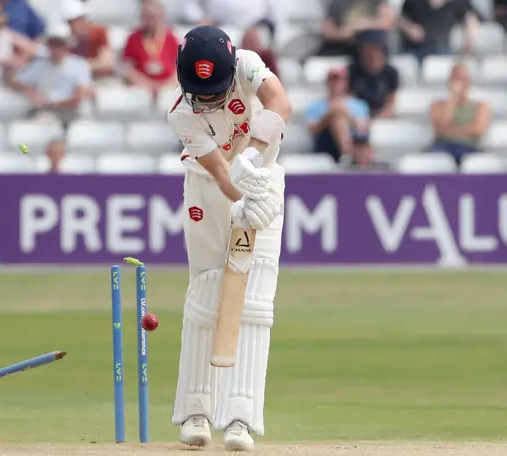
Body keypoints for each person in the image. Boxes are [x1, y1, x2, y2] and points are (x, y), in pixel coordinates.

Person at [166, 25, 288, 452]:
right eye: (204, 93)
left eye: (217, 90)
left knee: (255, 302)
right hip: (208, 191)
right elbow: (220, 172)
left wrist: (254, 162)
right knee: (205, 295)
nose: (212, 101)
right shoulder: (181, 114)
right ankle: (197, 410)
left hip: (264, 183)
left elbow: (279, 101)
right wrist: (241, 196)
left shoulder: (247, 65)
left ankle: (239, 419)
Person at [9, 22, 92, 126]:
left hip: (72, 112)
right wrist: (30, 91)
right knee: (41, 124)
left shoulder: (78, 64)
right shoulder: (39, 65)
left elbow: (80, 94)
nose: (56, 48)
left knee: (83, 127)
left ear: (67, 45)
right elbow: (17, 83)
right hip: (47, 112)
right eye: (53, 44)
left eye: (59, 44)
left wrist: (54, 104)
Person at [305, 67, 373, 166]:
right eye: (333, 80)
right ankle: (348, 154)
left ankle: (347, 154)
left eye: (341, 80)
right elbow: (313, 130)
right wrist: (329, 115)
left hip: (355, 141)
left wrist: (344, 114)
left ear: (346, 83)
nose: (337, 84)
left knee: (339, 119)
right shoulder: (315, 106)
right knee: (337, 119)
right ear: (328, 83)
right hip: (326, 142)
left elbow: (362, 128)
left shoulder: (359, 105)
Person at [429, 62, 490, 164]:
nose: (458, 83)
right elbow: (439, 127)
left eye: (462, 79)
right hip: (443, 147)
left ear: (468, 82)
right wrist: (452, 100)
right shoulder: (437, 105)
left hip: (470, 146)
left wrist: (450, 130)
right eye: (455, 79)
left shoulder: (480, 105)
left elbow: (477, 130)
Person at [122, 0, 179, 95]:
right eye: (146, 17)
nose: (150, 21)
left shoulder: (171, 38)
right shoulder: (133, 38)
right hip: (141, 88)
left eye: (153, 17)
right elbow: (127, 69)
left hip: (168, 87)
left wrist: (165, 86)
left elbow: (179, 69)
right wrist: (147, 85)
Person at [399, 0, 480, 62]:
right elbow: (400, 18)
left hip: (443, 48)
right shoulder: (413, 2)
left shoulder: (457, 2)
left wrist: (469, 38)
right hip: (416, 48)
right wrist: (408, 27)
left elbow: (471, 16)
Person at [348, 30, 399, 118]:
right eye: (368, 48)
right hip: (358, 115)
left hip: (381, 115)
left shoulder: (391, 73)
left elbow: (390, 101)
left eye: (375, 48)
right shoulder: (352, 71)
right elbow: (349, 99)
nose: (372, 53)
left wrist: (380, 116)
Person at [317, 0, 394, 57]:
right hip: (342, 47)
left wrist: (357, 27)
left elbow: (386, 23)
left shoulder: (378, 2)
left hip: (371, 47)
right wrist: (345, 35)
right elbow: (326, 31)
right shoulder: (337, 3)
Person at [63, 0, 114, 79]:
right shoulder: (67, 42)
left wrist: (82, 66)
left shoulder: (98, 33)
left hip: (100, 81)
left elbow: (107, 64)